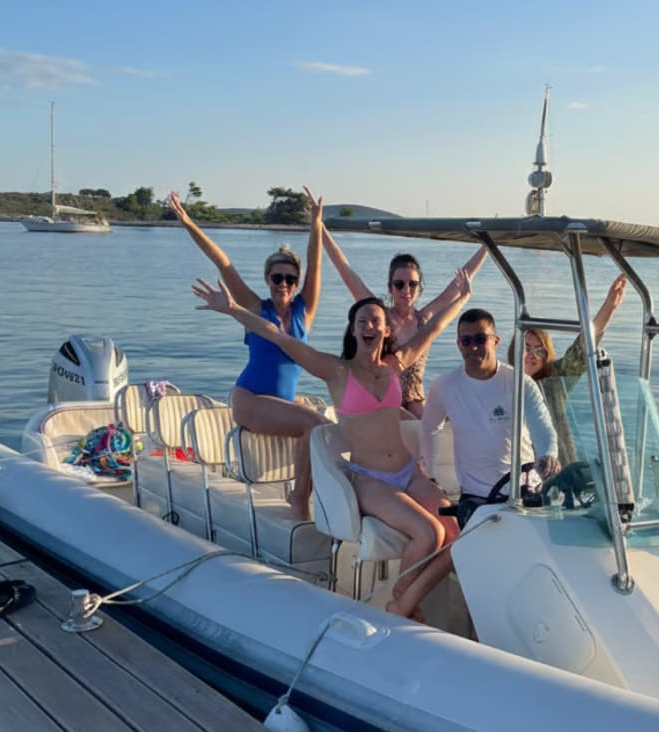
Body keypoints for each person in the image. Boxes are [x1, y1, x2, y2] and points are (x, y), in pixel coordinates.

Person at [192, 271, 475, 621]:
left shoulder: (395, 364)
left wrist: (462, 298)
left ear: (387, 330)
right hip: (369, 478)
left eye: (376, 320)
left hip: (408, 472)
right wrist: (234, 308)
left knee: (457, 531)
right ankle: (403, 605)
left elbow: (433, 328)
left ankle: (403, 599)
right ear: (354, 329)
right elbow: (278, 337)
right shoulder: (336, 371)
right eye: (363, 321)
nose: (370, 325)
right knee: (429, 533)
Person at [169, 186, 324, 521]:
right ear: (267, 280)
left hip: (282, 403)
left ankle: (317, 498)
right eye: (276, 278)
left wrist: (316, 224)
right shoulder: (255, 308)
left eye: (289, 278)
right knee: (317, 425)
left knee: (324, 427)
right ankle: (300, 501)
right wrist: (188, 222)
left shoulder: (303, 311)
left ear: (296, 282)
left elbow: (315, 262)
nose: (283, 283)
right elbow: (222, 261)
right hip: (249, 399)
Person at [321, 227, 489, 415]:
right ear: (390, 287)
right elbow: (345, 270)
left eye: (413, 284)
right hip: (385, 400)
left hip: (416, 402)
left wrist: (488, 245)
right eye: (399, 284)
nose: (406, 290)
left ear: (419, 287)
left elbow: (457, 286)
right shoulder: (380, 319)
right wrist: (319, 226)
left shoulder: (424, 320)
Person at [421, 308, 559, 521]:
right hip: (477, 499)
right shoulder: (444, 386)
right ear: (459, 344)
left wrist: (549, 454)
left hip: (525, 491)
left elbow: (542, 428)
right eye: (466, 341)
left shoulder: (520, 382)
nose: (473, 347)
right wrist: (430, 475)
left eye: (480, 339)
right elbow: (430, 429)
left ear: (495, 341)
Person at [506, 274, 628, 465]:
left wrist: (610, 306)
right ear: (515, 350)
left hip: (557, 463)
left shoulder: (555, 379)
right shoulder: (502, 381)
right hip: (518, 465)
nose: (533, 355)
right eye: (527, 348)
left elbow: (583, 347)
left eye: (540, 350)